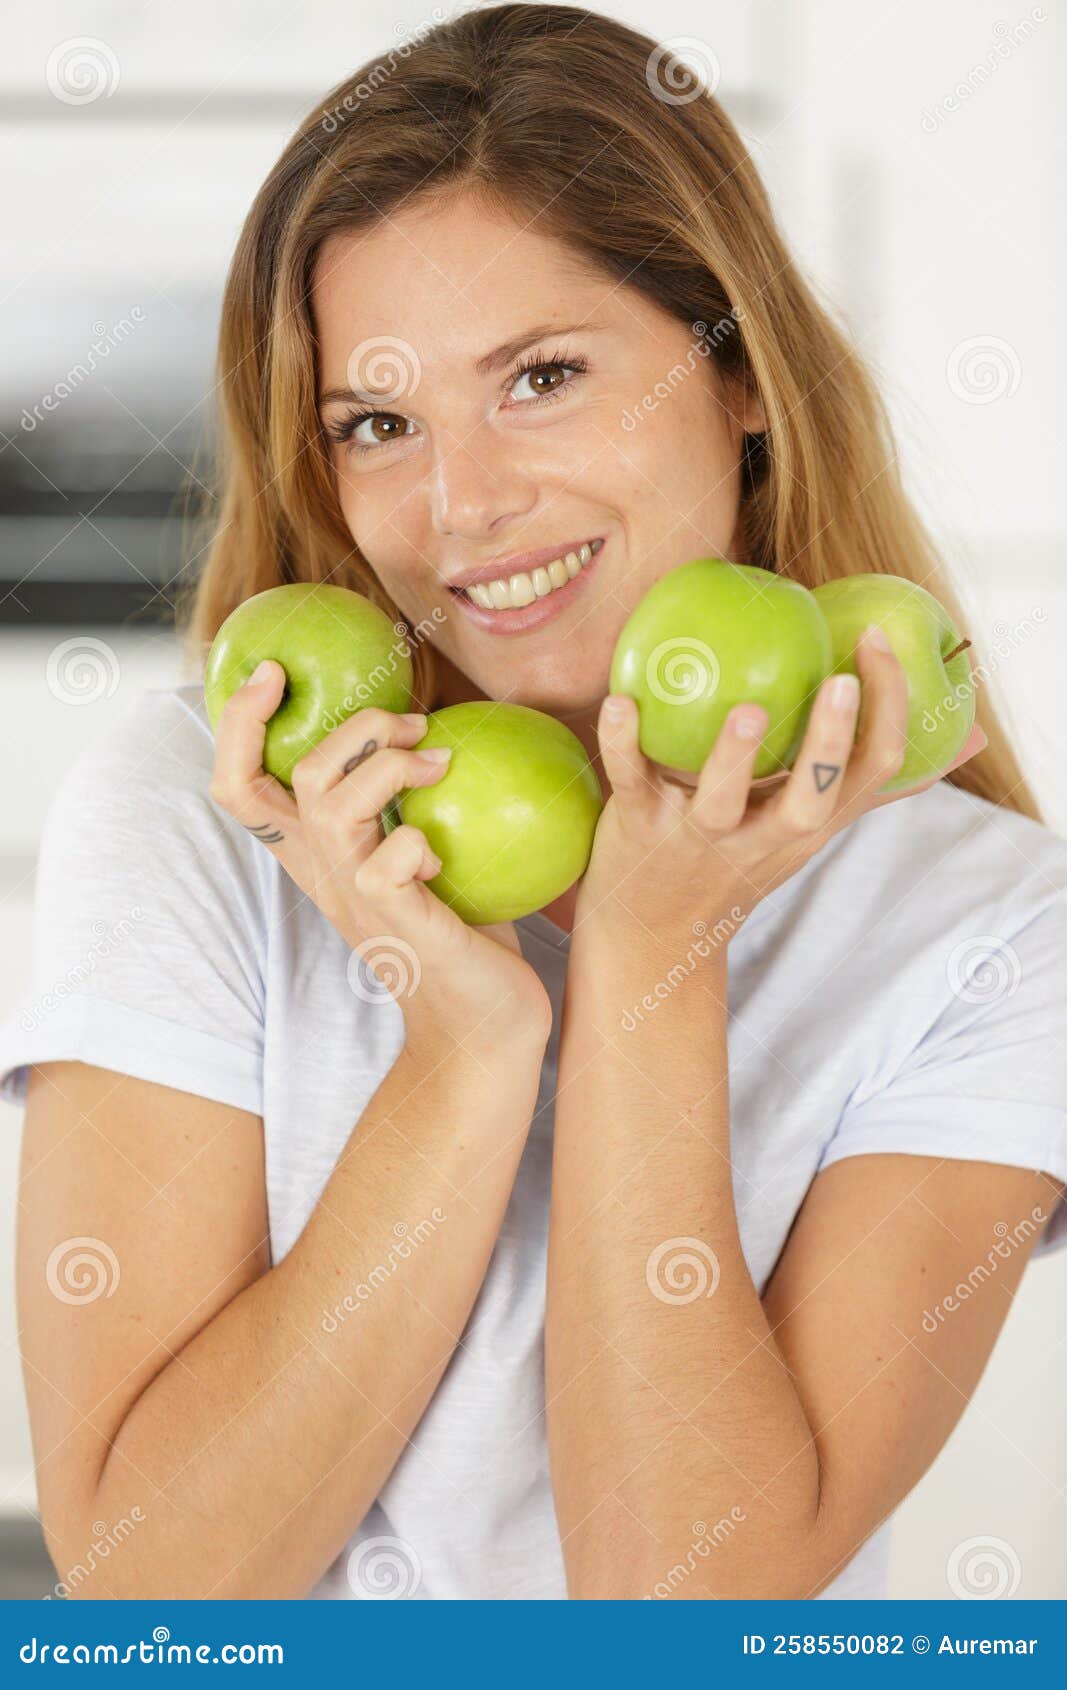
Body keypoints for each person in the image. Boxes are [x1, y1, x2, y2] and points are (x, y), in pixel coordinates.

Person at [4, 4, 1065, 1602]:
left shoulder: (986, 926)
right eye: (378, 423)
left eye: (544, 377)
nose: (464, 505)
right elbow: (151, 1601)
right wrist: (465, 1046)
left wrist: (648, 961)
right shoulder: (207, 814)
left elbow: (680, 1617)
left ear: (739, 374)